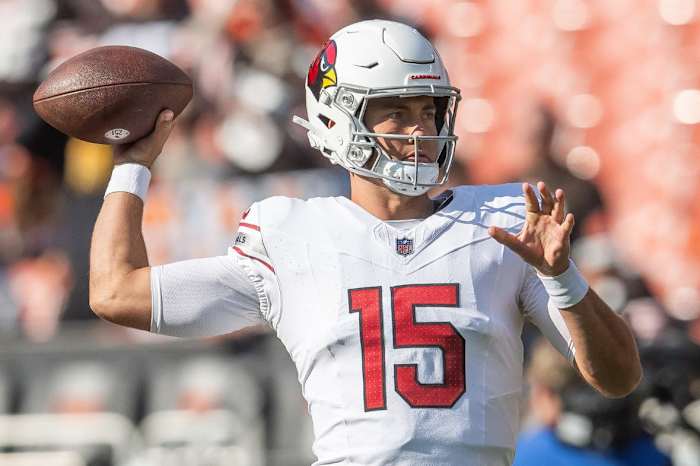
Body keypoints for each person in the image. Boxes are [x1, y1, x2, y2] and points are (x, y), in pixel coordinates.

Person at [89, 20, 642, 466]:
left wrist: (561, 276)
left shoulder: (502, 222)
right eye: (396, 112)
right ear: (334, 119)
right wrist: (133, 166)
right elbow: (116, 293)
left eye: (428, 111)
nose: (420, 130)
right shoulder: (288, 234)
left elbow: (618, 377)